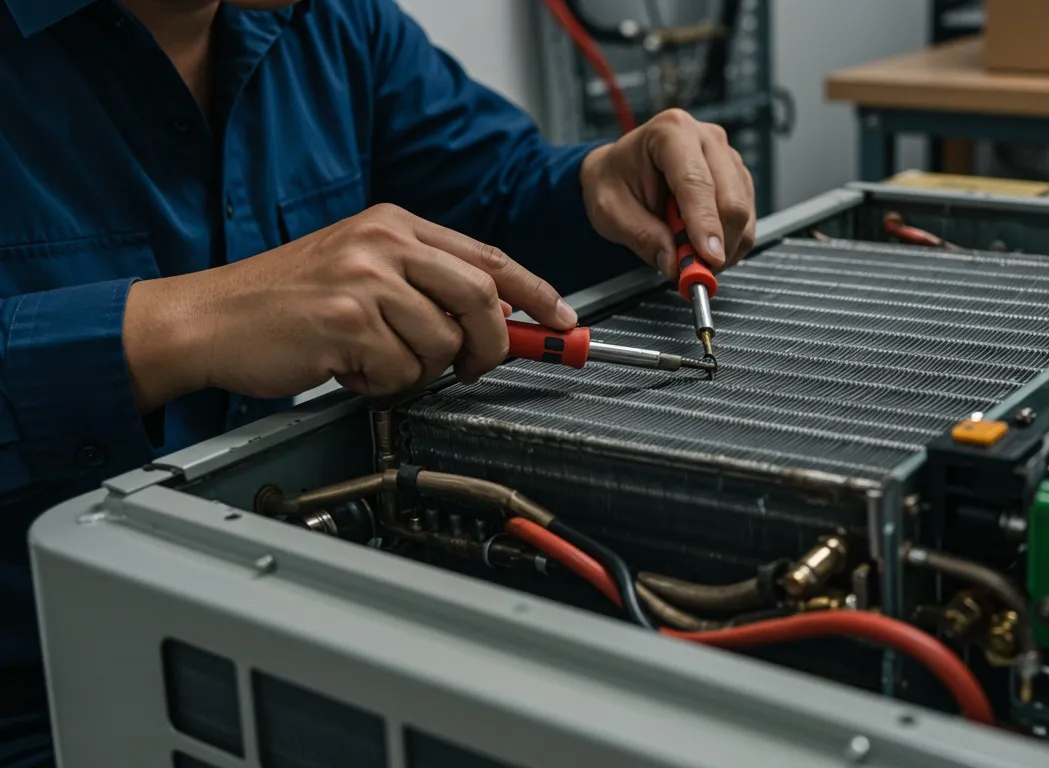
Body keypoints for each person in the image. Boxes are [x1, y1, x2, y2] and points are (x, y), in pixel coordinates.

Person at [0, 0, 756, 763]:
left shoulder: (334, 23)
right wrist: (177, 327)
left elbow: (491, 188)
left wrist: (602, 182)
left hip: (289, 632)